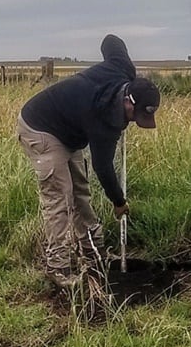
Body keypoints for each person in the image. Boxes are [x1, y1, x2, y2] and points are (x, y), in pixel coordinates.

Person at [17, 35, 160, 288]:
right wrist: (119, 201)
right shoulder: (105, 120)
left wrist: (123, 63)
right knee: (60, 198)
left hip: (68, 131)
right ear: (128, 100)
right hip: (40, 126)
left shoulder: (122, 69)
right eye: (134, 115)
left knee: (80, 193)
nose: (133, 122)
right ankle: (57, 267)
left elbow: (111, 42)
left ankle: (94, 254)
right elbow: (102, 167)